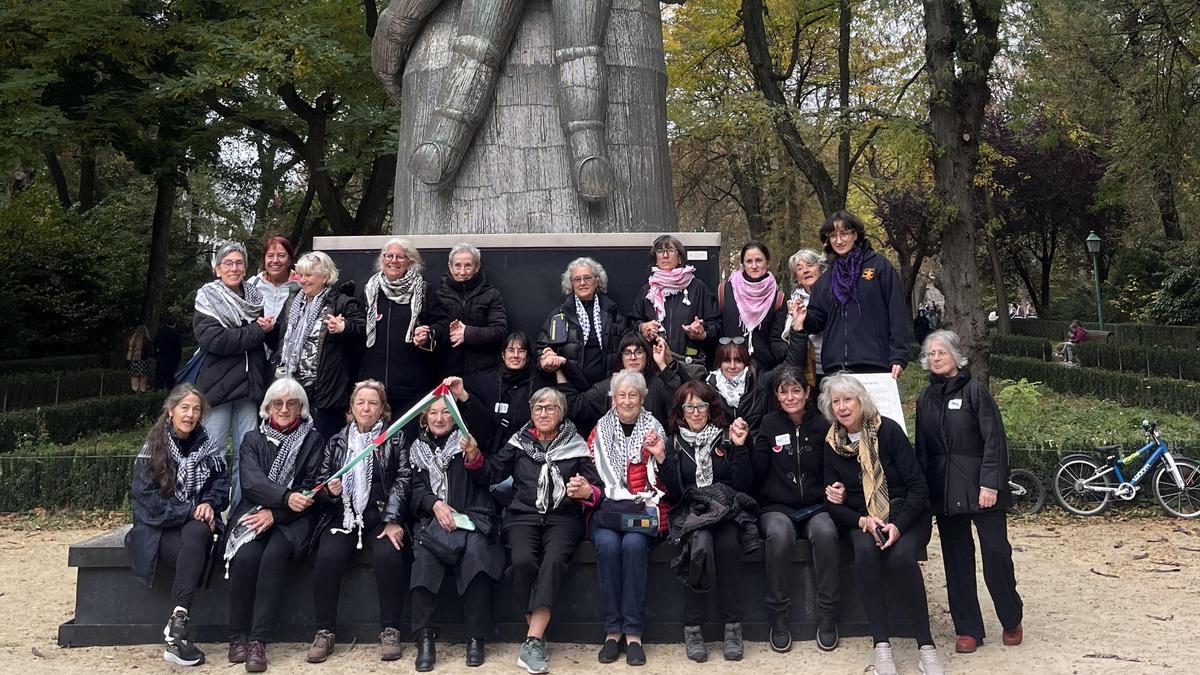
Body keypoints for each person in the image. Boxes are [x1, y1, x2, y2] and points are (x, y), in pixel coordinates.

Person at [820, 374, 942, 675]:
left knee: (902, 558)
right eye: (836, 401)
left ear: (861, 401)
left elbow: (918, 487)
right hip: (862, 519)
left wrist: (897, 525)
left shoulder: (888, 431)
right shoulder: (832, 443)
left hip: (906, 515)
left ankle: (926, 646)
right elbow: (831, 503)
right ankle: (881, 645)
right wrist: (860, 517)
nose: (842, 407)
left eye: (848, 399)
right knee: (865, 554)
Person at [916, 330, 1023, 655]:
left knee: (995, 553)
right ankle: (968, 629)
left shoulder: (977, 392)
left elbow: (994, 441)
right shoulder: (924, 398)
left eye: (941, 352)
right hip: (945, 490)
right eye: (930, 353)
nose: (935, 358)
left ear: (956, 356)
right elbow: (923, 448)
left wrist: (990, 483)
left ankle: (1011, 616)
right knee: (957, 561)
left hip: (981, 487)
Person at [481, 387, 601, 673]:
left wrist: (586, 490)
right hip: (523, 516)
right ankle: (536, 636)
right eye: (538, 408)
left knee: (554, 561)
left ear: (561, 413)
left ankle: (533, 640)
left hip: (562, 518)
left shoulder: (575, 443)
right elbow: (491, 472)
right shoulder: (519, 442)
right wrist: (474, 455)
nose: (543, 413)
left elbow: (598, 489)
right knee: (522, 561)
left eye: (550, 408)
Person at [306, 380, 412, 664]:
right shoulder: (337, 440)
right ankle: (324, 631)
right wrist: (329, 491)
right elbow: (320, 483)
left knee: (389, 555)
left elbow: (403, 481)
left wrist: (393, 519)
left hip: (380, 516)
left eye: (373, 403)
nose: (366, 408)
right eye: (361, 402)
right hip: (344, 515)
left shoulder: (395, 438)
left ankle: (390, 629)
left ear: (382, 409)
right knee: (327, 557)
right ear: (351, 408)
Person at [225, 378, 325, 673]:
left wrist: (278, 513)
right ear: (267, 408)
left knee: (274, 556)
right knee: (245, 557)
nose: (283, 409)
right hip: (255, 511)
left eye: (291, 403)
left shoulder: (313, 439)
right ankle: (236, 636)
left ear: (301, 408)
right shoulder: (252, 440)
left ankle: (258, 641)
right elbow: (252, 483)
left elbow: (311, 487)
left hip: (293, 520)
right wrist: (283, 498)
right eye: (277, 403)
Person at [126, 384, 228, 667]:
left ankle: (178, 622)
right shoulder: (152, 450)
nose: (190, 414)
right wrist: (190, 510)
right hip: (157, 530)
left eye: (196, 409)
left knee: (198, 532)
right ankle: (177, 632)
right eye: (185, 408)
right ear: (170, 411)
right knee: (194, 538)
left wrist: (209, 503)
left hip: (193, 527)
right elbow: (148, 504)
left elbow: (221, 485)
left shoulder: (209, 447)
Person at [407, 376, 501, 672]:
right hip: (433, 522)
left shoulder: (467, 441)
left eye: (446, 412)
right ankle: (424, 638)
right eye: (433, 412)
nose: (439, 418)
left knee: (476, 560)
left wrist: (473, 455)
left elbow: (488, 476)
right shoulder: (416, 449)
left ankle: (476, 638)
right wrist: (434, 504)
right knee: (423, 562)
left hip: (473, 518)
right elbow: (414, 490)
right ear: (424, 418)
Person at [660, 381, 755, 663]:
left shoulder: (725, 437)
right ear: (681, 411)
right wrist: (663, 460)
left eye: (701, 405)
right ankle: (693, 627)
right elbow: (675, 492)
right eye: (689, 406)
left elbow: (743, 483)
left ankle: (732, 627)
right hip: (692, 513)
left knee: (726, 546)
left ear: (710, 408)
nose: (696, 412)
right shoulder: (674, 442)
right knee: (698, 549)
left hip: (725, 509)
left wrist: (740, 448)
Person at [750, 367, 840, 654]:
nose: (791, 397)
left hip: (817, 504)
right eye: (784, 391)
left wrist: (837, 489)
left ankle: (827, 612)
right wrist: (747, 447)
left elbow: (835, 466)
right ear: (777, 395)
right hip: (777, 505)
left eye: (796, 390)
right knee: (778, 535)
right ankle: (779, 614)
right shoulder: (768, 424)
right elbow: (758, 472)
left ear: (807, 392)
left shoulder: (823, 424)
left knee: (826, 532)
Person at [586, 369, 666, 667]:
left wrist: (659, 455)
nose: (628, 400)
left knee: (633, 545)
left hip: (642, 511)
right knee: (607, 546)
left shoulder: (654, 428)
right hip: (606, 512)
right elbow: (592, 475)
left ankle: (633, 634)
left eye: (634, 395)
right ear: (613, 398)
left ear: (642, 398)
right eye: (622, 395)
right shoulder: (599, 430)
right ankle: (612, 631)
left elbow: (665, 479)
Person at [193, 241, 273, 509]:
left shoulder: (255, 299)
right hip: (218, 390)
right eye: (228, 263)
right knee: (211, 452)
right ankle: (207, 509)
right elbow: (215, 341)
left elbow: (258, 341)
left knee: (246, 455)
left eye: (239, 263)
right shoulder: (207, 299)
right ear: (217, 269)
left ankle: (239, 512)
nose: (234, 268)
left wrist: (268, 330)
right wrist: (256, 333)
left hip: (249, 389)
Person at [799, 211, 910, 378]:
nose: (839, 240)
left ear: (855, 234)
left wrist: (899, 356)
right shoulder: (827, 278)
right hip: (835, 369)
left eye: (844, 234)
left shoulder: (879, 266)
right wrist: (804, 316)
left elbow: (897, 313)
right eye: (833, 235)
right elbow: (818, 321)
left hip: (875, 365)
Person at [273, 251, 365, 440]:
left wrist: (343, 327)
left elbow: (363, 330)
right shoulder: (293, 302)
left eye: (309, 275)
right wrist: (269, 331)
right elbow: (281, 339)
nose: (303, 280)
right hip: (292, 387)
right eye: (301, 275)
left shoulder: (342, 302)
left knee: (321, 445)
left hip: (324, 391)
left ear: (325, 277)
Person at [357, 238, 451, 417]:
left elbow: (442, 324)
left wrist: (428, 333)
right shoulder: (369, 289)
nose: (393, 261)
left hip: (411, 386)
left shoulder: (423, 290)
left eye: (400, 257)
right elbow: (359, 325)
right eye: (389, 256)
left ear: (410, 261)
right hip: (373, 386)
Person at [563, 331, 684, 433]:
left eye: (639, 352)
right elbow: (576, 406)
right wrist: (561, 368)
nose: (633, 357)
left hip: (653, 449)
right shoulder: (609, 386)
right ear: (621, 357)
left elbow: (679, 401)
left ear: (647, 355)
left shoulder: (658, 383)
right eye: (627, 353)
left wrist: (662, 364)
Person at [630, 235, 720, 372]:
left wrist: (703, 334)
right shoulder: (647, 290)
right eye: (660, 251)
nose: (665, 255)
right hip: (654, 366)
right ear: (656, 259)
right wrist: (642, 327)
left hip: (689, 366)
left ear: (680, 258)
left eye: (670, 250)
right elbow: (631, 323)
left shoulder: (697, 288)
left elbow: (717, 325)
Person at [537, 257, 627, 391]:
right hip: (571, 389)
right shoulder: (560, 314)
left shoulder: (611, 312)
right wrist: (546, 358)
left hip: (607, 389)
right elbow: (541, 348)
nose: (582, 283)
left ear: (597, 281)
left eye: (587, 278)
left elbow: (626, 344)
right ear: (571, 284)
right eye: (577, 279)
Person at [437, 242, 509, 379]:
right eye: (457, 266)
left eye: (468, 266)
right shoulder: (438, 296)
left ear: (477, 267)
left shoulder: (491, 294)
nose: (462, 272)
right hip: (447, 373)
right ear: (450, 267)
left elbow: (500, 331)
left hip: (484, 373)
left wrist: (467, 333)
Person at [718, 241, 787, 372]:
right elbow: (716, 330)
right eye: (749, 261)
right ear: (742, 265)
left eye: (759, 260)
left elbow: (776, 339)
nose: (754, 266)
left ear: (767, 263)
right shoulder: (724, 291)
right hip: (729, 369)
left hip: (763, 371)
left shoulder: (778, 298)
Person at [784, 248, 826, 387]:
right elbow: (787, 337)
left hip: (835, 367)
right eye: (800, 268)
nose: (805, 270)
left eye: (810, 265)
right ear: (797, 277)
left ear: (821, 269)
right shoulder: (795, 301)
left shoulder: (834, 295)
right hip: (807, 369)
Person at [705, 339, 767, 430]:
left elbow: (790, 362)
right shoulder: (708, 388)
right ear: (720, 364)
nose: (732, 366)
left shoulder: (760, 382)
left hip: (755, 442)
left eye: (738, 361)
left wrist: (796, 333)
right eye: (727, 361)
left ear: (745, 363)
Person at [246, 236, 300, 321]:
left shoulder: (300, 286)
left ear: (289, 259)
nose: (275, 260)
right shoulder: (252, 284)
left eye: (281, 256)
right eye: (270, 256)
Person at [154, 316, 184, 390]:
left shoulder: (160, 333)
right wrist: (178, 359)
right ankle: (169, 390)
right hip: (173, 359)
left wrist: (157, 355)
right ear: (174, 324)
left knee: (160, 376)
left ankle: (159, 389)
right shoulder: (176, 335)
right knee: (171, 377)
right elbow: (179, 349)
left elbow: (155, 345)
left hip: (162, 358)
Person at [128, 324, 153, 393]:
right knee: (143, 381)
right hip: (143, 362)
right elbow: (150, 353)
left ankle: (133, 392)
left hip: (133, 362)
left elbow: (129, 352)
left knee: (134, 380)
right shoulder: (147, 341)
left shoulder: (132, 341)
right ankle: (142, 394)